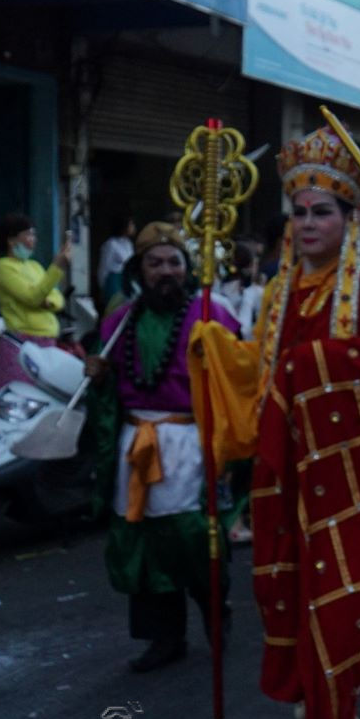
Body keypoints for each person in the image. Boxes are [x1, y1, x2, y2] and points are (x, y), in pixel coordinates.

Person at [191, 124, 360, 719]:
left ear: (351, 219)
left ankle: (339, 708)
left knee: (343, 594)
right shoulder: (277, 292)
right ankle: (320, 691)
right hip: (285, 473)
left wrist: (306, 368)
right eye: (298, 211)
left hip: (351, 473)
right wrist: (215, 351)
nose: (308, 222)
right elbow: (260, 381)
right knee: (288, 589)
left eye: (323, 210)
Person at [84, 223, 239, 673]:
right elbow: (105, 391)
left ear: (187, 269)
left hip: (188, 443)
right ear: (139, 270)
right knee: (144, 544)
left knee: (191, 539)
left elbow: (237, 379)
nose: (165, 271)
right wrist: (98, 376)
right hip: (136, 444)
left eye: (174, 262)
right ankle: (164, 638)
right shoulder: (117, 322)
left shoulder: (213, 314)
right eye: (155, 263)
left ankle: (215, 610)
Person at [0, 213, 72, 390]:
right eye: (28, 235)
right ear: (11, 240)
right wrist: (57, 268)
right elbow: (32, 297)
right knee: (18, 397)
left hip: (47, 343)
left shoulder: (35, 267)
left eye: (34, 235)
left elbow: (57, 299)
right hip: (21, 345)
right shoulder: (2, 268)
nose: (33, 240)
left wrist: (46, 301)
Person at [97, 214, 135, 309]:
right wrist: (103, 287)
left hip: (126, 281)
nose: (133, 227)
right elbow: (104, 267)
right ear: (124, 226)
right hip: (114, 282)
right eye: (131, 224)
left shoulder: (128, 244)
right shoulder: (111, 244)